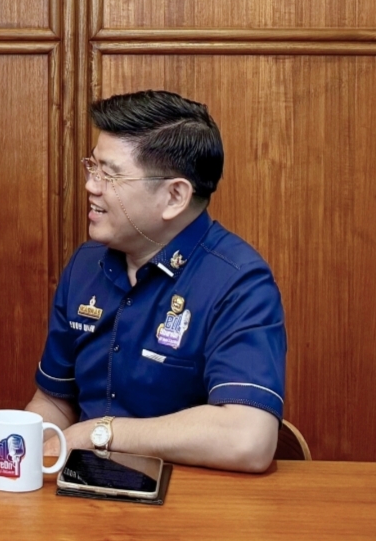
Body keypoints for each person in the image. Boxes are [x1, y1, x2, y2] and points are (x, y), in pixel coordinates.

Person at [26, 90, 286, 473]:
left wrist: (100, 433)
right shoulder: (86, 264)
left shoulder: (238, 282)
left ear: (174, 196)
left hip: (187, 498)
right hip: (83, 495)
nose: (91, 186)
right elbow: (55, 401)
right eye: (93, 167)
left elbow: (248, 439)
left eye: (110, 174)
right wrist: (20, 453)